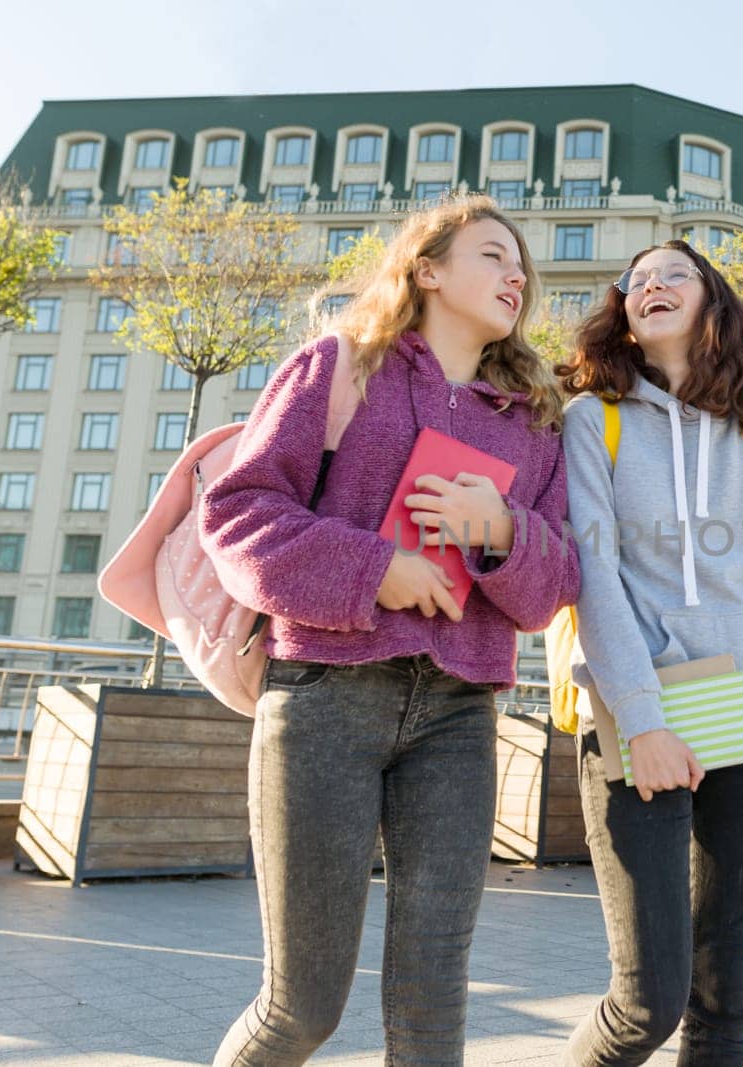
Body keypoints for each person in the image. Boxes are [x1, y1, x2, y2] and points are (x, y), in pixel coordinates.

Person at [199, 195, 580, 1066]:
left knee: (433, 1002)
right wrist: (379, 568)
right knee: (303, 1006)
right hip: (326, 696)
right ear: (428, 267)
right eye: (493, 254)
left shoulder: (534, 423)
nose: (516, 273)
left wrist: (502, 531)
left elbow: (554, 584)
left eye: (522, 266)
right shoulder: (338, 367)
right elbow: (239, 515)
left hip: (458, 718)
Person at [557, 239, 743, 1065]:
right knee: (645, 1001)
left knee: (723, 1000)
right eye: (637, 281)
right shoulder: (593, 420)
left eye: (673, 275)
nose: (651, 285)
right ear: (624, 310)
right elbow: (593, 579)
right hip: (634, 718)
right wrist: (645, 719)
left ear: (711, 297)